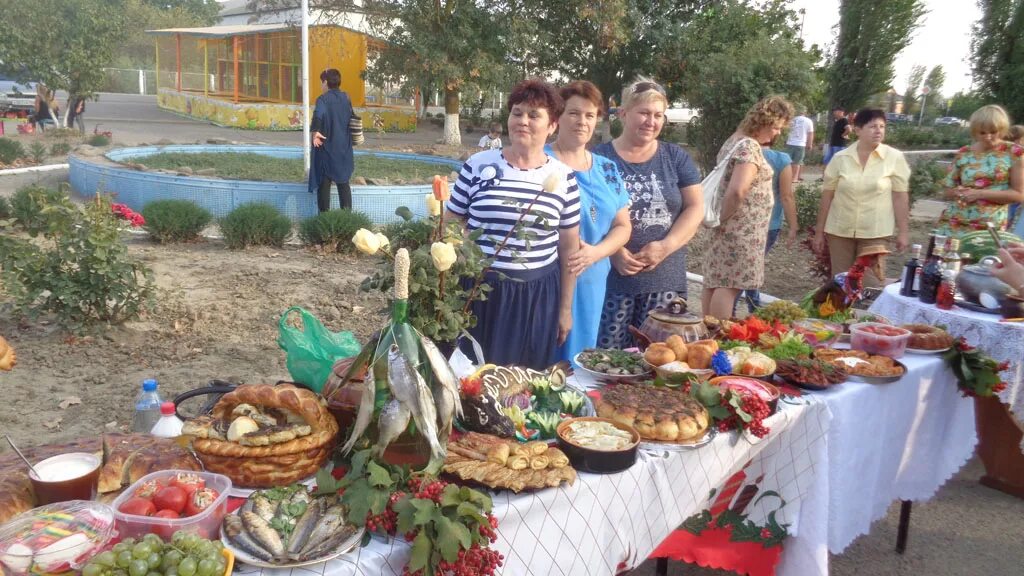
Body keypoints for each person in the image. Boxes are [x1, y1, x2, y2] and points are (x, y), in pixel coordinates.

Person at [446, 79, 581, 369]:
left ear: (552, 125)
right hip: (478, 293)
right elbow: (450, 225)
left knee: (526, 384)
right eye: (517, 113)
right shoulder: (478, 165)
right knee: (472, 378)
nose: (523, 121)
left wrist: (565, 309)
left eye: (534, 115)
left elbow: (569, 249)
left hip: (536, 297)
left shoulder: (564, 178)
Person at [593, 78, 702, 348]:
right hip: (610, 283)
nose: (650, 121)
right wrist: (613, 250)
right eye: (643, 113)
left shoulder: (675, 157)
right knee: (606, 363)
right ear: (623, 114)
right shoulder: (598, 158)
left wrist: (666, 246)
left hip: (664, 283)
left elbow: (695, 207)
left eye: (657, 115)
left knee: (660, 363)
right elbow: (586, 213)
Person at [545, 80, 631, 362]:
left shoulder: (607, 169)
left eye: (590, 115)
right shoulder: (539, 162)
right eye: (573, 113)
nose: (582, 121)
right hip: (548, 278)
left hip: (592, 281)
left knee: (578, 362)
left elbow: (623, 226)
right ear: (557, 117)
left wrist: (595, 252)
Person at [702, 96, 793, 319]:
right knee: (730, 285)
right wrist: (724, 218)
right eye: (775, 127)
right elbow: (737, 190)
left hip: (729, 227)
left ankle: (707, 335)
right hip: (742, 231)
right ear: (761, 122)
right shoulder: (750, 148)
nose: (777, 133)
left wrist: (720, 221)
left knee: (715, 281)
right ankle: (718, 338)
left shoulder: (734, 140)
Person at [812, 108, 911, 287]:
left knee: (870, 285)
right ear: (857, 130)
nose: (879, 131)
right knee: (841, 284)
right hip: (840, 231)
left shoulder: (894, 158)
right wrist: (819, 232)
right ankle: (840, 315)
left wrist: (903, 232)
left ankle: (866, 316)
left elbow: (900, 197)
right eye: (872, 126)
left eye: (882, 126)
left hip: (875, 232)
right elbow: (827, 197)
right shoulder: (840, 158)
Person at [936, 105, 1024, 239]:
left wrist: (980, 194)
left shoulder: (1014, 153)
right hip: (955, 224)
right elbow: (947, 191)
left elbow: (1019, 195)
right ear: (974, 132)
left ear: (1002, 129)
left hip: (989, 228)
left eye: (993, 132)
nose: (988, 137)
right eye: (982, 133)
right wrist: (959, 192)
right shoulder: (964, 153)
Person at [737, 141, 798, 313]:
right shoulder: (781, 159)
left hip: (741, 223)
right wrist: (793, 226)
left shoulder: (740, 154)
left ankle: (753, 309)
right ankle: (752, 310)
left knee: (744, 268)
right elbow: (786, 196)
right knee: (750, 269)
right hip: (770, 224)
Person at [308, 68, 356, 213]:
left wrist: (315, 133)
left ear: (325, 82)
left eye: (321, 82)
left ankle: (324, 221)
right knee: (343, 184)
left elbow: (318, 116)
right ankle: (347, 220)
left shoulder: (323, 99)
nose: (321, 86)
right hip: (343, 149)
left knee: (324, 184)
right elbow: (351, 118)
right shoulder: (346, 98)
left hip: (327, 149)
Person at [785, 104, 813, 182]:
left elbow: (787, 131)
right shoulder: (808, 121)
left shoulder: (792, 120)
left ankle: (787, 177)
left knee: (788, 161)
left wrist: (786, 141)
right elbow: (810, 133)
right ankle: (794, 178)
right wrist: (809, 144)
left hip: (790, 143)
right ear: (804, 112)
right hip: (800, 144)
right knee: (797, 162)